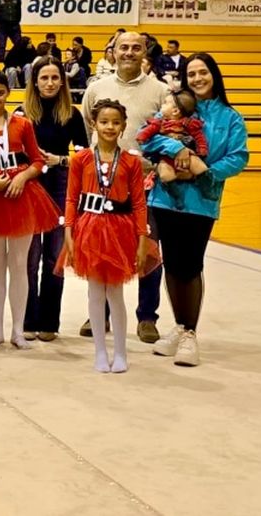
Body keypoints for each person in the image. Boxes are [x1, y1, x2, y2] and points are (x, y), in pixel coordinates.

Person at [140, 53, 248, 367]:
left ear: (214, 75)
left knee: (190, 265)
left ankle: (190, 333)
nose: (198, 78)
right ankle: (179, 326)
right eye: (192, 74)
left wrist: (203, 171)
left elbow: (238, 158)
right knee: (171, 265)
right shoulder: (179, 108)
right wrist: (177, 148)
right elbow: (151, 140)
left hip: (201, 200)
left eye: (203, 72)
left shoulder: (231, 118)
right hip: (165, 197)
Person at [0, 69, 62, 350]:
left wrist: (22, 176)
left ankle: (18, 329)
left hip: (22, 196)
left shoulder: (22, 124)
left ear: (8, 93)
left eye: (0, 92)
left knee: (20, 266)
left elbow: (39, 161)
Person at [79, 30, 170, 340]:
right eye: (123, 47)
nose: (129, 52)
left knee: (149, 247)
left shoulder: (160, 91)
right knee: (102, 249)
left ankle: (147, 317)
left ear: (144, 52)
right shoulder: (96, 89)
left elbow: (168, 134)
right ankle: (98, 315)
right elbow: (87, 131)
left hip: (145, 185)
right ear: (112, 52)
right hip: (103, 186)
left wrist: (151, 164)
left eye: (136, 48)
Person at [66, 98, 151, 373]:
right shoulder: (80, 159)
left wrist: (141, 239)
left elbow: (139, 203)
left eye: (116, 122)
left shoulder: (130, 162)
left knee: (115, 292)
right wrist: (69, 231)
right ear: (93, 124)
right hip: (88, 228)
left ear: (124, 126)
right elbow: (71, 198)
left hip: (119, 229)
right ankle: (100, 352)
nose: (110, 127)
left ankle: (121, 353)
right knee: (94, 292)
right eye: (104, 122)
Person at [22, 56, 87, 342]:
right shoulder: (22, 113)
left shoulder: (72, 115)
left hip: (61, 185)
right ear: (34, 82)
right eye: (44, 78)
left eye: (54, 78)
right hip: (31, 186)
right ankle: (27, 320)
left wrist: (61, 159)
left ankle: (50, 321)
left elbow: (85, 156)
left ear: (62, 81)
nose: (49, 83)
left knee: (54, 256)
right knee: (30, 256)